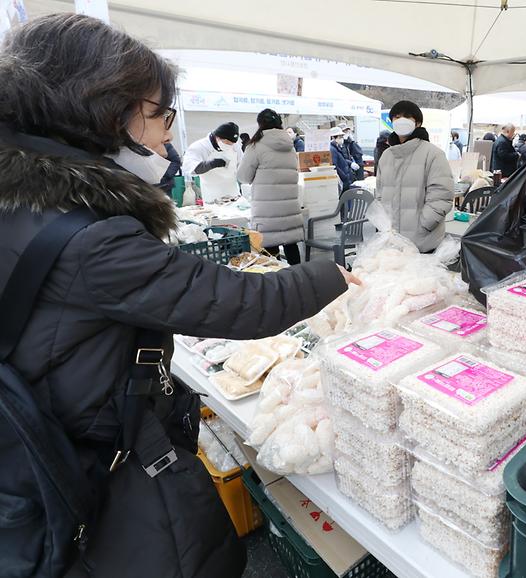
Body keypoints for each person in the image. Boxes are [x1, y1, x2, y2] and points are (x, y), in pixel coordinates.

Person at [0, 13, 359, 578]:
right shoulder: (89, 236)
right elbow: (236, 301)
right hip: (97, 458)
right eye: (159, 114)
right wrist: (335, 276)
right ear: (100, 110)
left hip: (45, 431)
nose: (169, 132)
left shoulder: (25, 200)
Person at [376, 100, 455, 252]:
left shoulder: (433, 154)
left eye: (407, 116)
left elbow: (441, 195)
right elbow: (380, 193)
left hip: (423, 242)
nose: (401, 120)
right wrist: (384, 223)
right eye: (397, 117)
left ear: (418, 123)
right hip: (391, 241)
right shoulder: (386, 156)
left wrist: (424, 225)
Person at [238, 109, 303, 265]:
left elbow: (243, 177)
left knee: (270, 254)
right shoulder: (290, 146)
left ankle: (278, 287)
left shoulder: (255, 146)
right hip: (289, 210)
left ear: (260, 124)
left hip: (267, 212)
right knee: (291, 246)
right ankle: (299, 283)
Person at [181, 121, 243, 201]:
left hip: (233, 191)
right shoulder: (199, 146)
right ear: (217, 137)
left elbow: (241, 164)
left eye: (231, 144)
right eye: (226, 143)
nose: (229, 146)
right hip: (211, 194)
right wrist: (212, 164)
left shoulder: (235, 146)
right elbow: (190, 168)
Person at [329, 126, 353, 191]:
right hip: (342, 179)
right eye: (340, 137)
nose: (342, 139)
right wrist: (344, 177)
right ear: (333, 137)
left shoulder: (337, 147)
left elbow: (342, 160)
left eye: (342, 137)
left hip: (345, 178)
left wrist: (351, 163)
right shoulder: (332, 149)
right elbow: (335, 165)